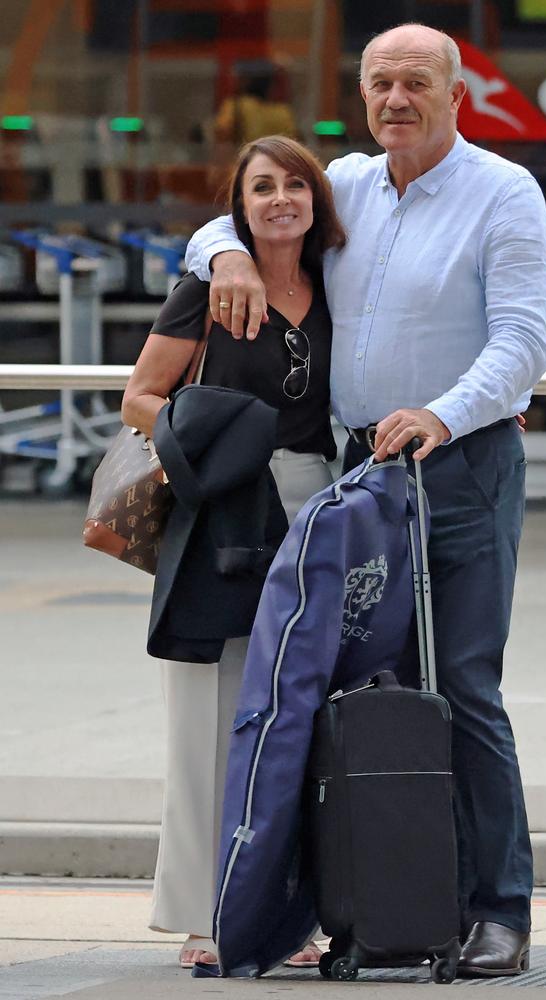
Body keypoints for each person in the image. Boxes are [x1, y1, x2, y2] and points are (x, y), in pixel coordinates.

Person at [185, 23, 546, 980]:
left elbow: (522, 342)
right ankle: (383, 898)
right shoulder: (343, 181)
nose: (396, 99)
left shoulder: (503, 194)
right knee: (363, 690)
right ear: (362, 95)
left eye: (416, 83)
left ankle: (498, 910)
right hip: (361, 474)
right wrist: (224, 255)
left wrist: (443, 412)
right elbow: (238, 212)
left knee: (464, 686)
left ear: (455, 93)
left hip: (462, 466)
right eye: (380, 82)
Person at [121, 135, 346, 970]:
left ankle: (285, 910)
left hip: (320, 508)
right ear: (238, 205)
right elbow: (139, 398)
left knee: (297, 719)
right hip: (224, 509)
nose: (281, 198)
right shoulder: (205, 287)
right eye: (262, 187)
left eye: (296, 184)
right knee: (208, 717)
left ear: (316, 201)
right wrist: (211, 440)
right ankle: (203, 916)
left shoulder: (335, 287)